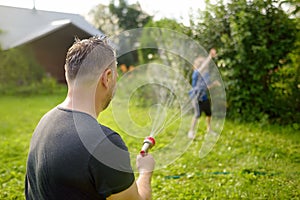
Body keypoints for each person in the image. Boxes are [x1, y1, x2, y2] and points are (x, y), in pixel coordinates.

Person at [25, 36, 155, 200]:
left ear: (67, 74)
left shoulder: (45, 121)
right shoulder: (104, 143)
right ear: (106, 78)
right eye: (115, 76)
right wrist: (145, 172)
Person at [188, 48, 220, 139]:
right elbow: (202, 67)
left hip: (204, 97)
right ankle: (191, 131)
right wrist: (210, 56)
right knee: (197, 114)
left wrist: (213, 84)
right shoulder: (196, 73)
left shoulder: (206, 75)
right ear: (196, 66)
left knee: (209, 113)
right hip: (196, 97)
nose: (204, 65)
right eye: (201, 63)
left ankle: (209, 129)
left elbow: (206, 87)